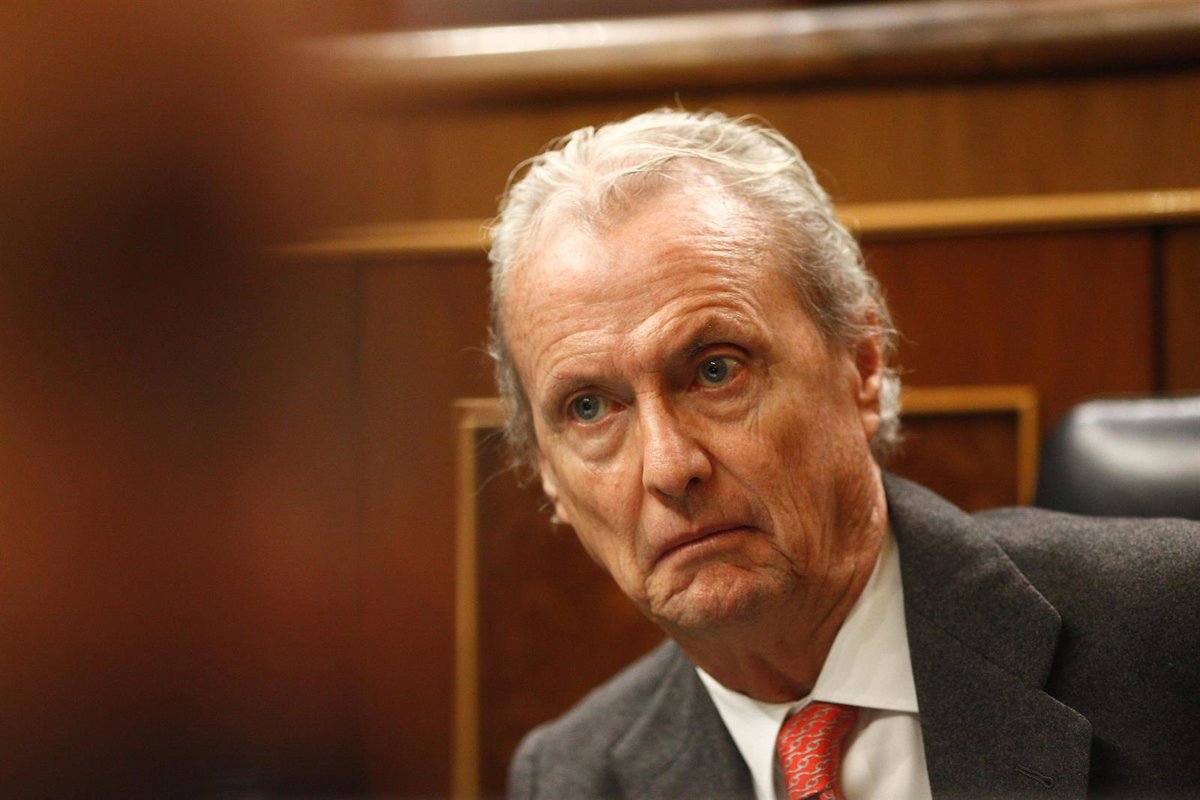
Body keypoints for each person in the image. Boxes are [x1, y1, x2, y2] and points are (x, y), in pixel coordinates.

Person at [486, 108, 1200, 799]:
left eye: (716, 370)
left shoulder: (1171, 626)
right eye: (589, 408)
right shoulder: (572, 779)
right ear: (549, 475)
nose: (670, 468)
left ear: (861, 367)